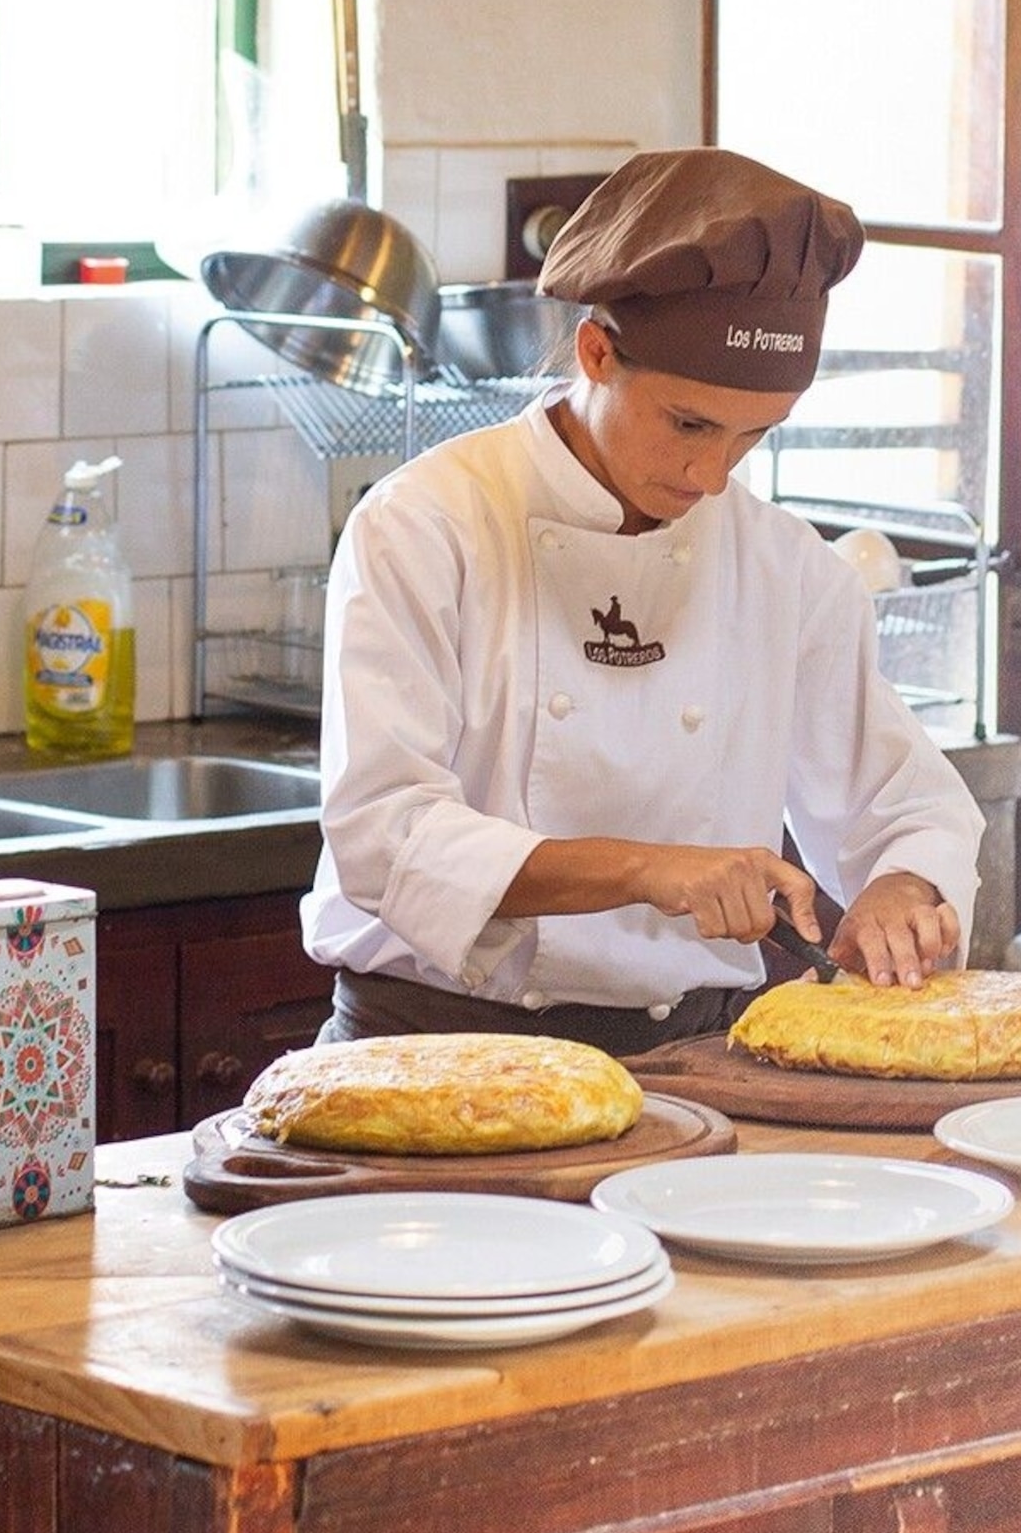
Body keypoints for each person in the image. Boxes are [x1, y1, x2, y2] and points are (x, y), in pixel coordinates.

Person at [303, 148, 985, 1056]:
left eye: (753, 438)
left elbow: (905, 805)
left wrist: (904, 888)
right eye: (689, 425)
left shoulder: (786, 570)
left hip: (698, 1060)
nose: (711, 476)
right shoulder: (428, 527)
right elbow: (386, 835)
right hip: (435, 1050)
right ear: (596, 352)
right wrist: (649, 869)